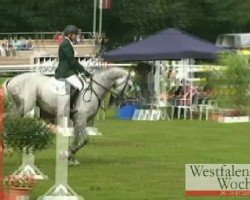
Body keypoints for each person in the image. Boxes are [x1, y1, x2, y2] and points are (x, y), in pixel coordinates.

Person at [55, 25, 92, 113]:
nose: (76, 37)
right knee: (80, 86)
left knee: (81, 84)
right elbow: (71, 61)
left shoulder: (67, 43)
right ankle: (70, 107)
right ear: (70, 34)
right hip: (65, 72)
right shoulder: (66, 44)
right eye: (75, 35)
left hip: (69, 70)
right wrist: (84, 71)